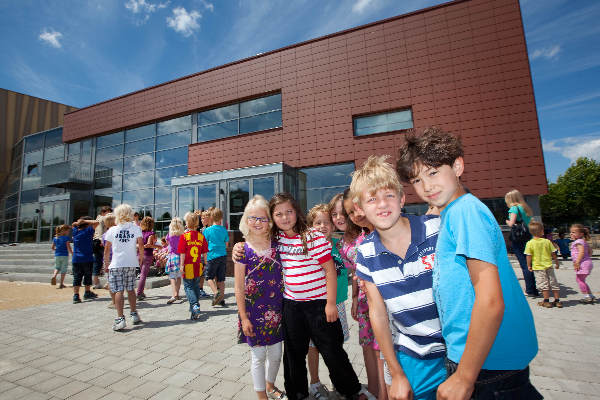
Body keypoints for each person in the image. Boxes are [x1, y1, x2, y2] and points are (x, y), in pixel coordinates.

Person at [396, 127, 541, 399]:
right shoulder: (452, 213)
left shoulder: (465, 211)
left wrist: (464, 376)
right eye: (416, 180)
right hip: (481, 357)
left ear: (458, 166)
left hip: (488, 361)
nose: (426, 186)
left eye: (433, 172)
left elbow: (490, 300)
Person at [233, 193, 367, 400]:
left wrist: (331, 303)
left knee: (332, 351)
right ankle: (298, 393)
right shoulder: (276, 239)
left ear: (297, 212)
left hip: (319, 306)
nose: (285, 217)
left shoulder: (313, 236)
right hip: (292, 307)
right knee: (293, 355)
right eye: (278, 214)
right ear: (273, 218)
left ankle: (350, 389)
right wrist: (238, 246)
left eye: (289, 212)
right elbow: (254, 241)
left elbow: (330, 270)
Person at [351, 155, 447, 400]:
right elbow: (378, 313)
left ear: (402, 198)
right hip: (412, 359)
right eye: (372, 199)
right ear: (360, 208)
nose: (382, 204)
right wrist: (397, 373)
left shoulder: (436, 230)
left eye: (389, 195)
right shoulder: (365, 252)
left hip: (455, 351)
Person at [235, 195, 286, 400]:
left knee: (275, 355)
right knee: (258, 357)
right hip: (252, 314)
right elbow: (238, 288)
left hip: (277, 312)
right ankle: (261, 395)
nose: (257, 222)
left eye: (262, 218)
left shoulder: (278, 245)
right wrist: (243, 317)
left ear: (270, 222)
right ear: (246, 220)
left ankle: (270, 385)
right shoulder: (242, 251)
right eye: (252, 217)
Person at [305, 203, 350, 400]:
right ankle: (314, 383)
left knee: (336, 346)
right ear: (310, 226)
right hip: (316, 306)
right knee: (313, 346)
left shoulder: (338, 246)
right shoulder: (307, 247)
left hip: (337, 303)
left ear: (333, 226)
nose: (322, 226)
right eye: (317, 223)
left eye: (326, 223)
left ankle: (338, 381)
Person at [341, 189, 383, 399]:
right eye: (350, 212)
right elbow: (357, 273)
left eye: (357, 207)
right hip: (367, 302)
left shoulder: (381, 232)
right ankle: (375, 390)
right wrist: (356, 297)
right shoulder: (363, 236)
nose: (355, 214)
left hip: (385, 305)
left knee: (383, 351)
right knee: (370, 346)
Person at [103, 204, 143, 331]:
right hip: (131, 263)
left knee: (119, 290)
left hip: (117, 264)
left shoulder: (112, 230)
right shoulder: (135, 228)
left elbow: (107, 248)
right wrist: (140, 259)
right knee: (130, 289)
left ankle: (120, 318)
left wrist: (106, 263)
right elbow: (141, 245)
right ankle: (134, 313)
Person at [505, 189, 538, 297]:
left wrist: (507, 222)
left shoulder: (514, 208)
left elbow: (511, 223)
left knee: (524, 264)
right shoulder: (525, 208)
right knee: (529, 264)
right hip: (528, 237)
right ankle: (533, 288)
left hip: (519, 239)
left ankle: (529, 290)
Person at [178, 212, 209, 320]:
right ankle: (194, 310)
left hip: (188, 266)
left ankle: (195, 304)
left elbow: (182, 253)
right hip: (198, 265)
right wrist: (205, 263)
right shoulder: (201, 236)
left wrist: (181, 266)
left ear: (187, 223)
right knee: (196, 286)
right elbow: (205, 252)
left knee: (188, 287)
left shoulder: (184, 237)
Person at [524, 221, 562, 308]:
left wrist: (529, 265)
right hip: (549, 265)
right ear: (542, 231)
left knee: (544, 284)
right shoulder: (547, 241)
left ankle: (546, 301)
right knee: (553, 282)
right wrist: (556, 262)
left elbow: (528, 256)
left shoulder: (530, 243)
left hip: (538, 267)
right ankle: (557, 300)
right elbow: (553, 253)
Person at [203, 208, 229, 306]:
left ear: (211, 218)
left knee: (209, 277)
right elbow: (226, 244)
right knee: (221, 279)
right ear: (221, 218)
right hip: (223, 256)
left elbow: (204, 245)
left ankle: (216, 293)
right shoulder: (224, 230)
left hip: (212, 256)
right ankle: (221, 299)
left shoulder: (207, 230)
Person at [71, 216, 100, 304]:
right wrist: (85, 221)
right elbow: (97, 222)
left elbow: (73, 224)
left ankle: (76, 295)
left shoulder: (75, 231)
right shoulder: (88, 231)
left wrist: (79, 222)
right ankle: (87, 292)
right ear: (87, 224)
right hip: (87, 258)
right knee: (87, 275)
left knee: (77, 277)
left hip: (76, 258)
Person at [570, 224, 595, 304]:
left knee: (579, 280)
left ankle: (587, 296)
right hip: (587, 263)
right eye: (571, 232)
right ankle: (590, 295)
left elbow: (581, 252)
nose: (571, 234)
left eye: (574, 232)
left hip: (582, 264)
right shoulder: (583, 241)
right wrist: (587, 258)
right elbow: (590, 252)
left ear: (581, 234)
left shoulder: (578, 242)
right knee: (582, 280)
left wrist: (577, 262)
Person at [137, 216, 160, 300]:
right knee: (143, 275)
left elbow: (137, 244)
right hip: (147, 255)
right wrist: (159, 247)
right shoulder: (151, 234)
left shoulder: (139, 233)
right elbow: (149, 244)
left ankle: (141, 292)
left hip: (139, 255)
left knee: (141, 273)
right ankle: (139, 293)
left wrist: (142, 246)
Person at [165, 217, 184, 304]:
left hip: (172, 257)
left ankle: (174, 294)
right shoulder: (182, 235)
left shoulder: (169, 235)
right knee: (179, 276)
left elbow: (168, 244)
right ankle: (177, 293)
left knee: (172, 277)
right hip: (180, 257)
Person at [92, 206, 111, 289]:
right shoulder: (103, 219)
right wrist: (102, 241)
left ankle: (96, 282)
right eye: (109, 212)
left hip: (95, 241)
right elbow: (101, 231)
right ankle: (108, 282)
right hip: (101, 241)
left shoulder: (97, 218)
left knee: (97, 262)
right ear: (104, 212)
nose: (110, 214)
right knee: (107, 261)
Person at [102, 213, 117, 308]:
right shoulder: (118, 232)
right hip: (118, 259)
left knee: (111, 281)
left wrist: (105, 263)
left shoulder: (105, 235)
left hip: (109, 259)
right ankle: (118, 300)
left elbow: (105, 249)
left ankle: (114, 301)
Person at [51, 224, 72, 289]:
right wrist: (72, 253)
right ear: (64, 231)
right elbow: (68, 247)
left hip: (57, 255)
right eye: (68, 231)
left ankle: (54, 275)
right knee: (63, 269)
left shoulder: (55, 238)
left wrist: (57, 249)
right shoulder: (66, 238)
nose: (68, 232)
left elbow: (52, 247)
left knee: (57, 267)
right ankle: (61, 284)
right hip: (64, 255)